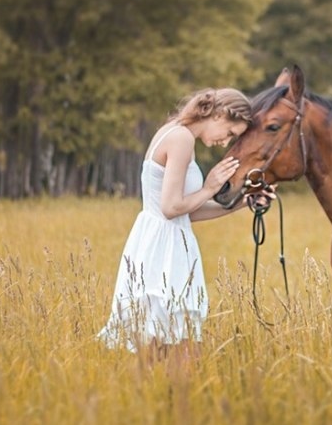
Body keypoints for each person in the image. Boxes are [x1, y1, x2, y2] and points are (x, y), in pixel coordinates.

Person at [97, 87, 263, 359]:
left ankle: (163, 396)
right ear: (220, 114)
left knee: (165, 345)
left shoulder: (176, 132)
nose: (226, 142)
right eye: (231, 133)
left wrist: (242, 203)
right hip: (164, 251)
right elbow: (171, 207)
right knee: (176, 350)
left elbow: (188, 211)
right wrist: (210, 187)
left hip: (162, 242)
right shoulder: (181, 139)